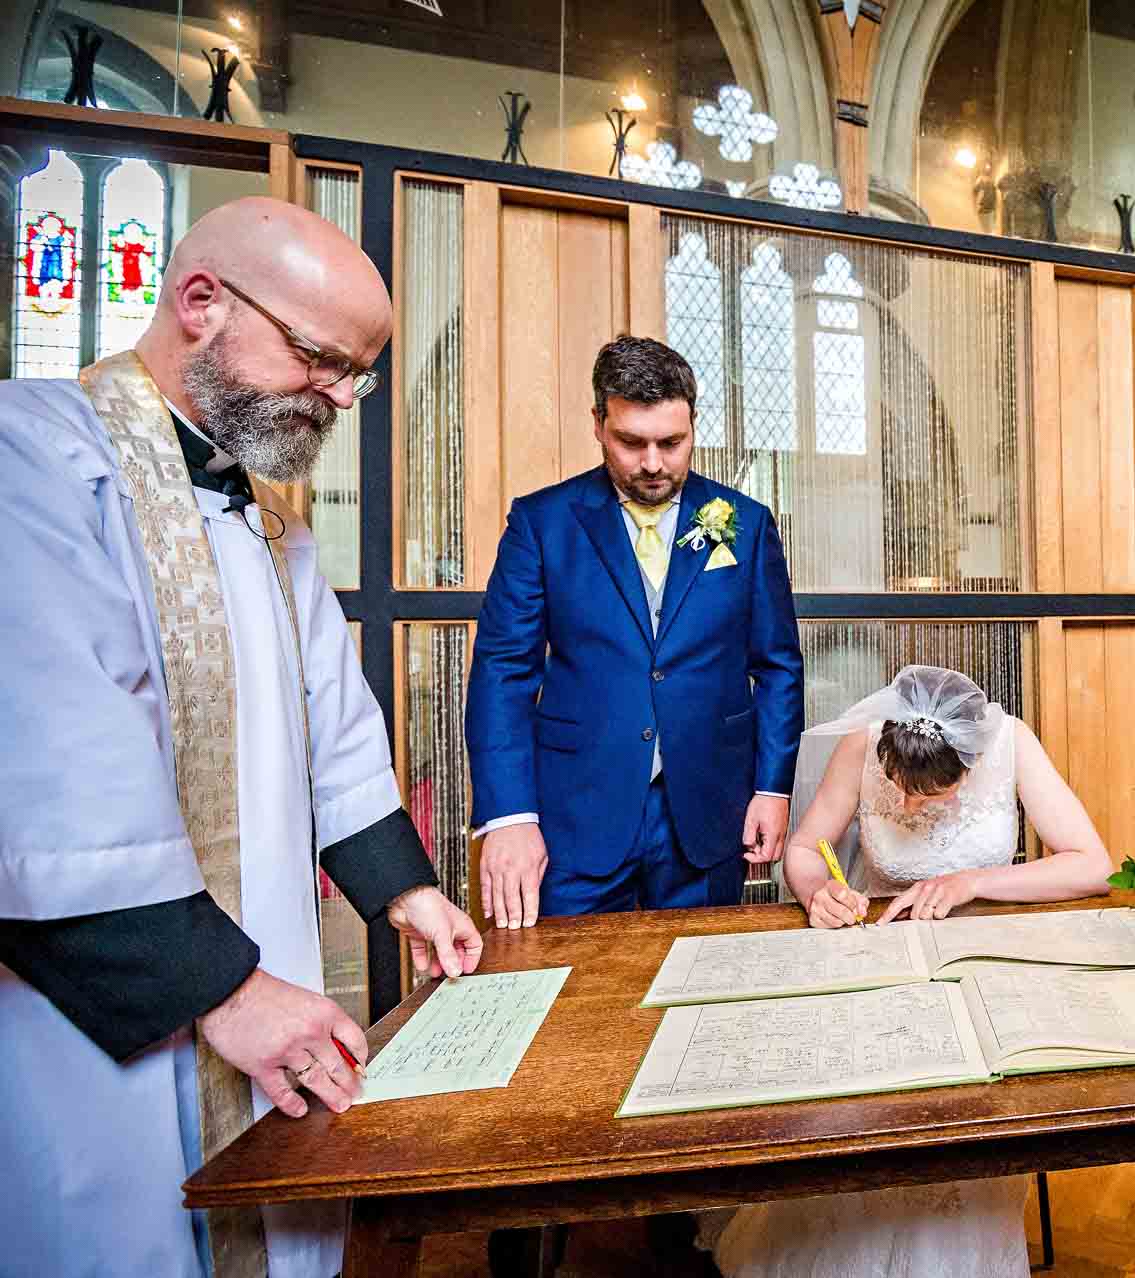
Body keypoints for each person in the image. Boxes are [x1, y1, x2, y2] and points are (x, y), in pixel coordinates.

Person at [0, 196, 482, 1278]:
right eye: (320, 357)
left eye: (357, 372)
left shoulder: (266, 508)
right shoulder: (26, 458)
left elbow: (330, 713)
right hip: (101, 998)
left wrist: (404, 891)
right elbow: (49, 758)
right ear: (202, 302)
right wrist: (222, 987)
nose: (341, 396)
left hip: (259, 951)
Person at [703, 665, 1112, 1277]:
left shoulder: (1010, 744)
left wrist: (975, 881)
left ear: (970, 766)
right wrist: (817, 891)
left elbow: (1094, 865)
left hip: (978, 960)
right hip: (881, 952)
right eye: (899, 787)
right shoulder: (860, 746)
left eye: (931, 795)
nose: (909, 805)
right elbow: (804, 848)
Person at [465, 335, 805, 923]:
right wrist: (511, 816)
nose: (653, 463)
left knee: (700, 987)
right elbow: (502, 673)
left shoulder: (744, 525)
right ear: (598, 424)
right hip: (576, 816)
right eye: (631, 442)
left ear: (694, 424)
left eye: (672, 443)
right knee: (573, 997)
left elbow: (777, 667)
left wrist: (772, 789)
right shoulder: (542, 523)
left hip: (705, 813)